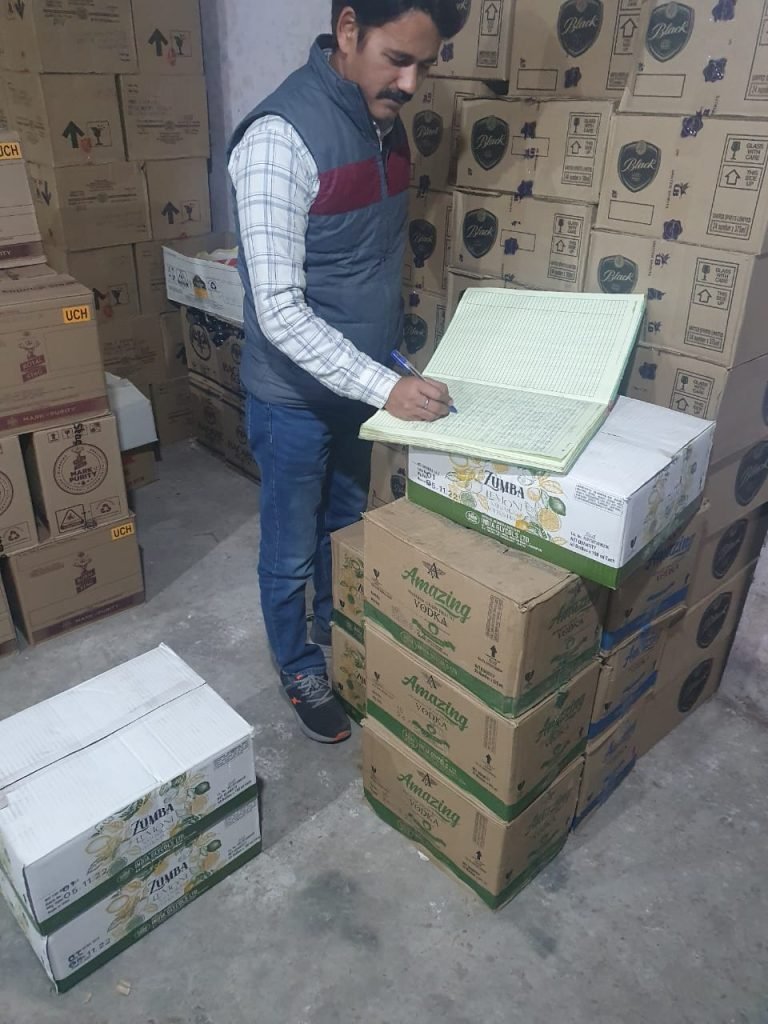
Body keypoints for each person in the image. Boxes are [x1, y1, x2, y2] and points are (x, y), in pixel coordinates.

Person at [228, 1, 460, 744]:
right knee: (290, 546)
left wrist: (388, 365)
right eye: (398, 59)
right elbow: (279, 311)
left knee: (346, 524)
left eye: (425, 65)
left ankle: (339, 633)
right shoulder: (279, 139)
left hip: (357, 388)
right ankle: (298, 664)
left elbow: (366, 260)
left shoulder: (383, 125)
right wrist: (386, 386)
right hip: (292, 399)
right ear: (349, 30)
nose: (411, 83)